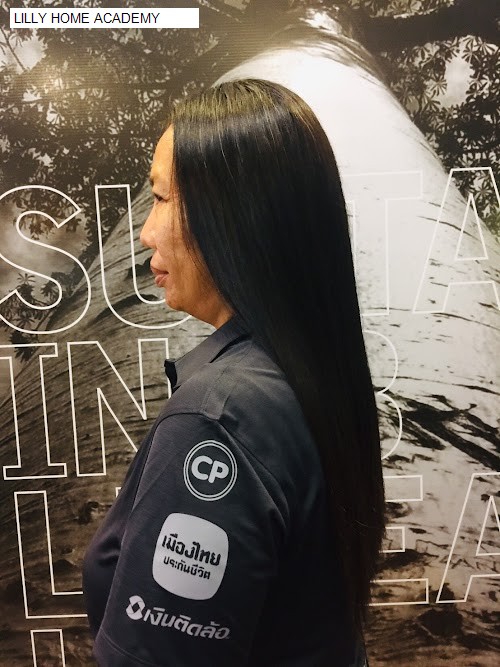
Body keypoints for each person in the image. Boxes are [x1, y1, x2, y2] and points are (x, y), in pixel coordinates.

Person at [82, 78, 385, 666]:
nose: (145, 232)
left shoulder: (219, 420)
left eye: (161, 198)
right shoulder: (308, 376)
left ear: (234, 217)